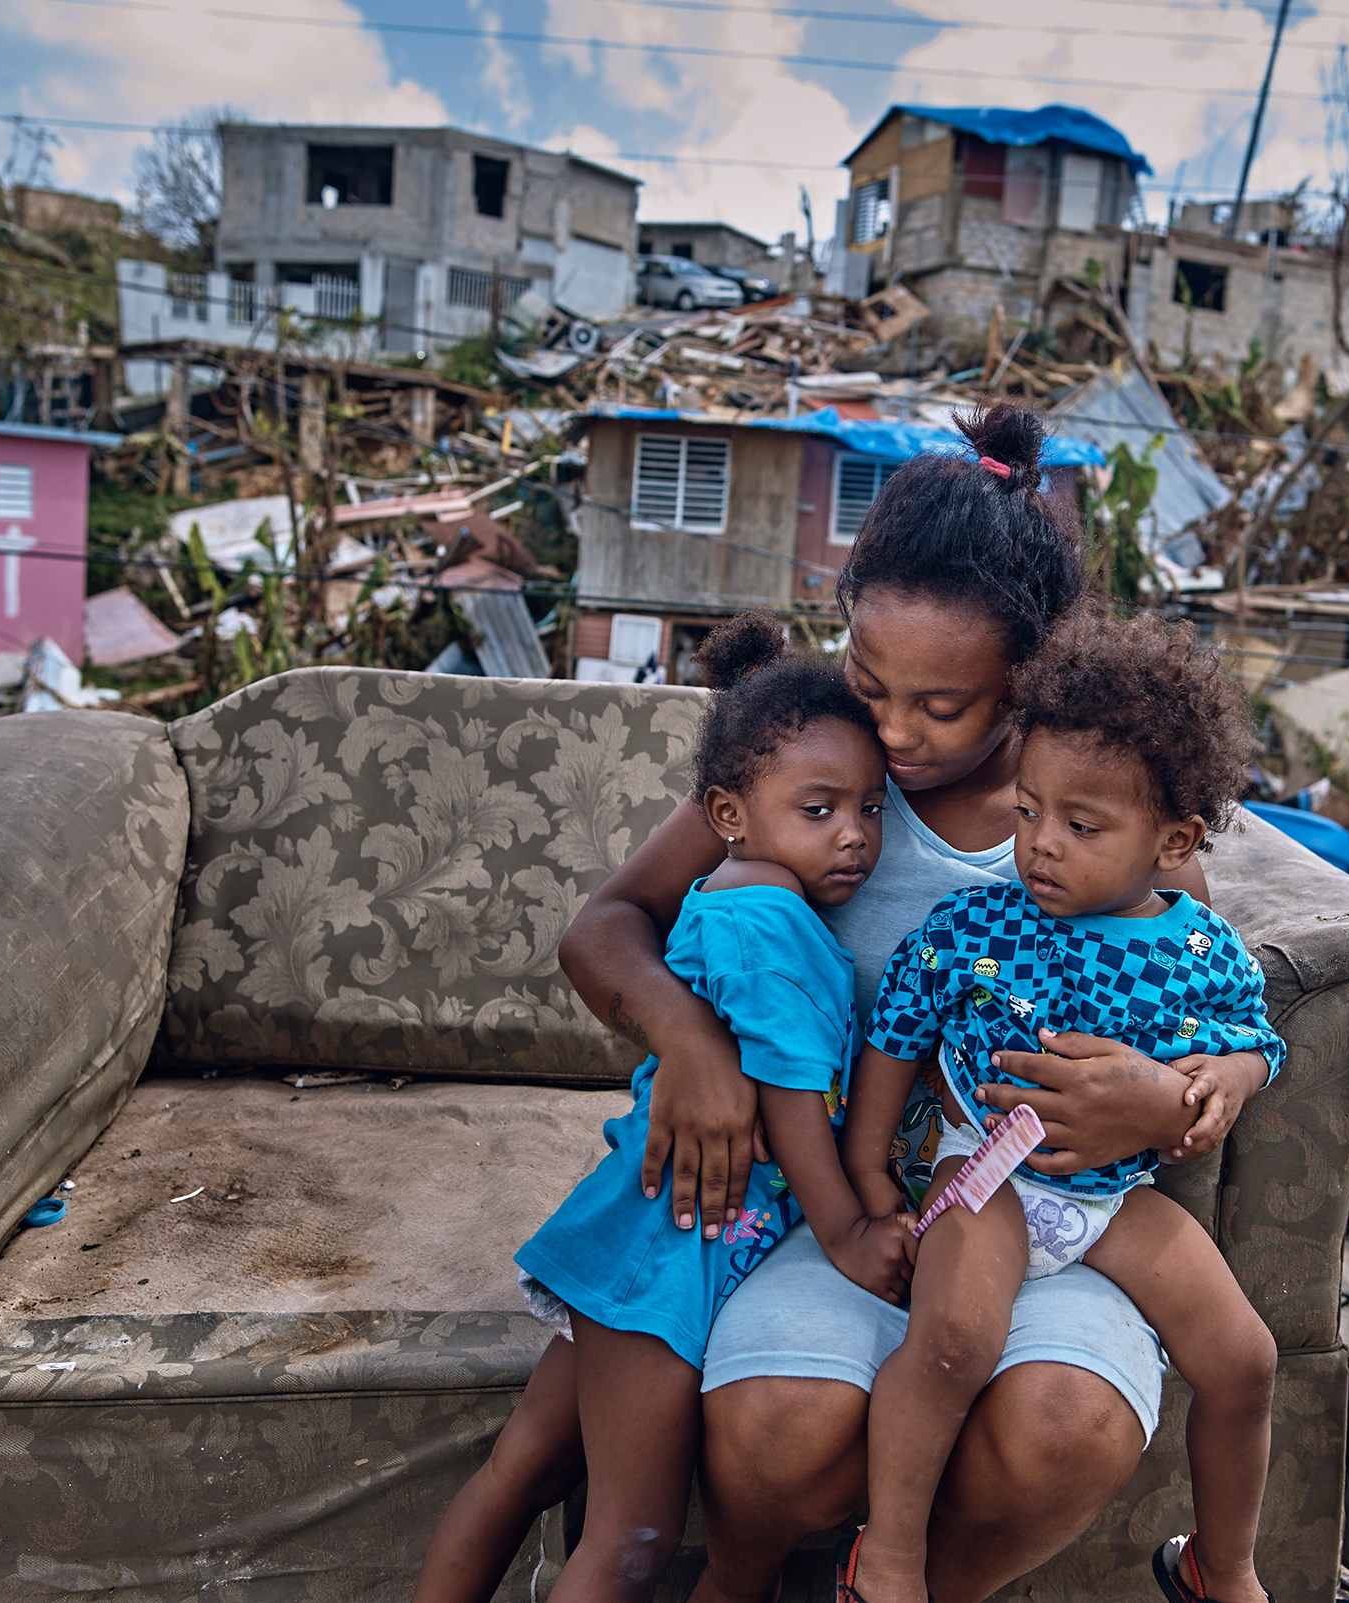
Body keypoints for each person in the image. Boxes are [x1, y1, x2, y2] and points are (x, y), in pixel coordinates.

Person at [558, 405, 1283, 1603]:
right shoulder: (819, 767)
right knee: (780, 1423)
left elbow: (1208, 1021)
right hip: (832, 1201)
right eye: (867, 679)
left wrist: (1162, 1103)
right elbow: (603, 927)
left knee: (1067, 1422)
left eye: (939, 707)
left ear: (1028, 677)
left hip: (1060, 1218)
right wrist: (687, 1038)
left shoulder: (1099, 828)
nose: (892, 732)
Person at [413, 613, 907, 1603]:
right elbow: (789, 1097)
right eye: (818, 809)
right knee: (630, 1538)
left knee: (526, 1468)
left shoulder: (731, 897)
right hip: (677, 1244)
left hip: (645, 1227)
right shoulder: (774, 925)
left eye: (868, 807)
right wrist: (848, 1231)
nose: (853, 833)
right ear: (727, 811)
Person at [839, 612, 1284, 1603]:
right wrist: (869, 1169)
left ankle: (1225, 1566)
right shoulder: (977, 924)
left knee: (1243, 1356)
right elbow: (896, 1030)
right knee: (953, 1336)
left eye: (1081, 827)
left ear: (1172, 840)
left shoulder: (1202, 948)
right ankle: (892, 1556)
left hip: (1109, 1199)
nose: (1038, 845)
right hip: (978, 1171)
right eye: (1028, 809)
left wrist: (1227, 1082)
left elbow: (1252, 1040)